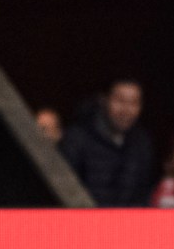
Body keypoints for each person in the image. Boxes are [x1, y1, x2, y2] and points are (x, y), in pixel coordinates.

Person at [59, 77, 155, 206]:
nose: (126, 110)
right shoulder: (77, 138)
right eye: (120, 101)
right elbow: (64, 188)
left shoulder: (141, 143)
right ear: (103, 100)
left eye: (134, 103)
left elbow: (143, 194)